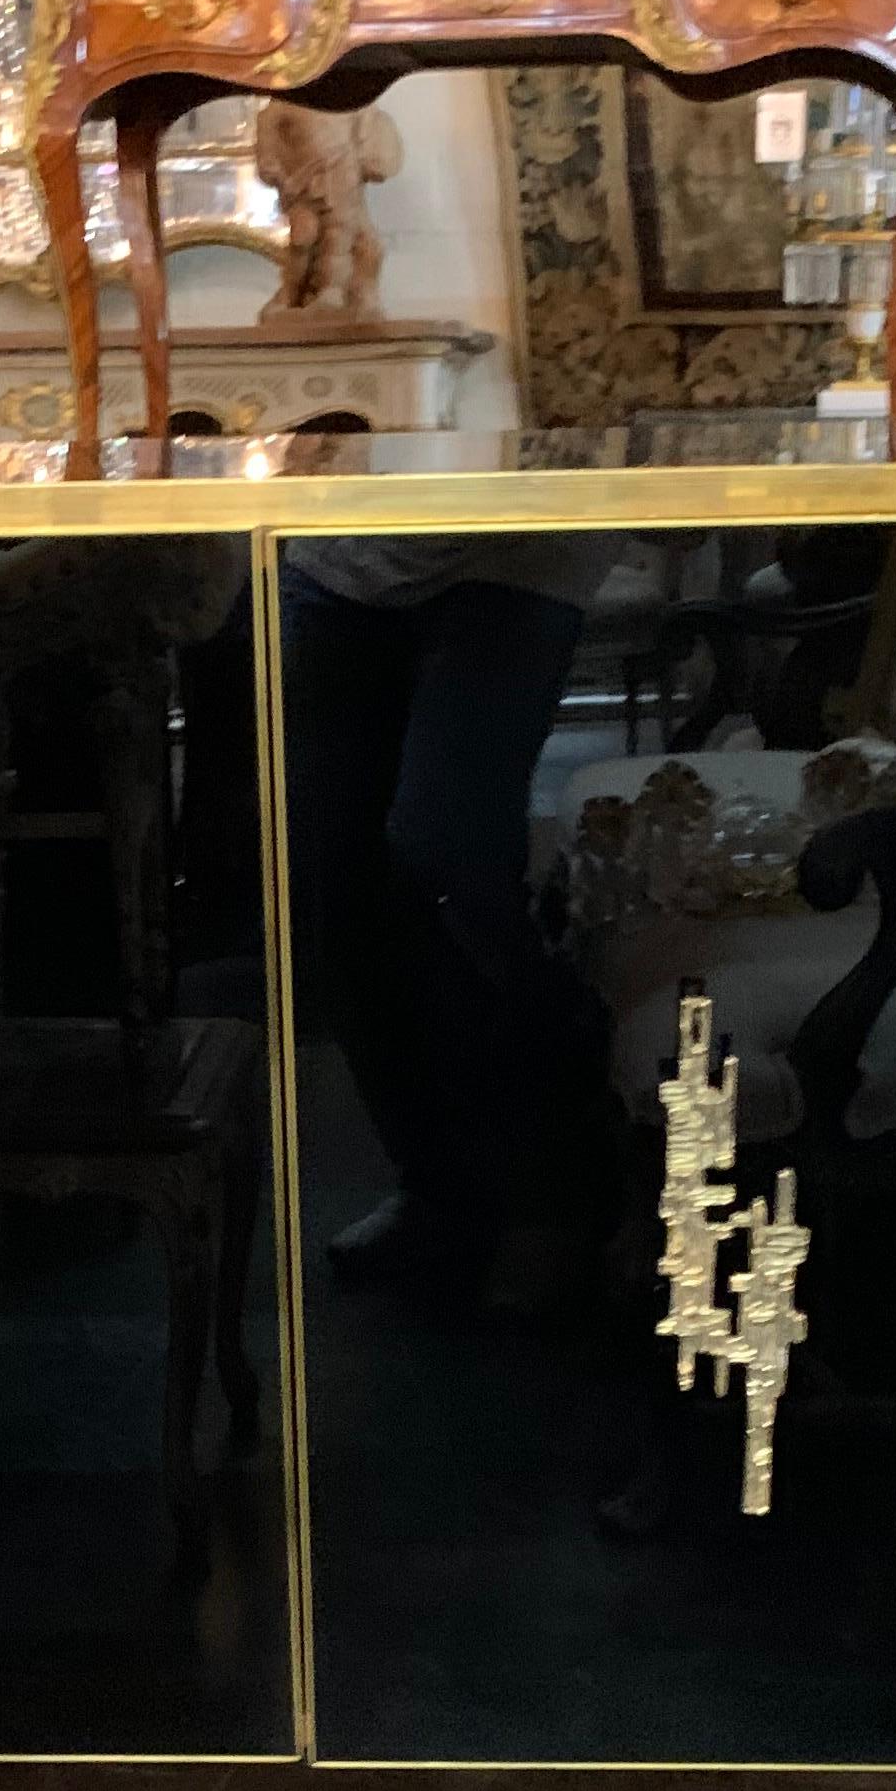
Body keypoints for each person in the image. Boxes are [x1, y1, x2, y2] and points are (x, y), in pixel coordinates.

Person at [280, 531, 626, 1298]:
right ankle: (438, 1183)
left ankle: (555, 1187)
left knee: (451, 854)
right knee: (330, 881)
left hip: (517, 541)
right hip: (337, 550)